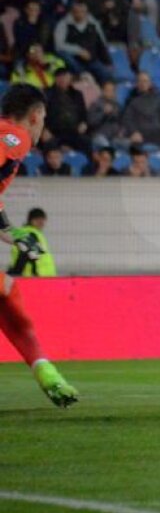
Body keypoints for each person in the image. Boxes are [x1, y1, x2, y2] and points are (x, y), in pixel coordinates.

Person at [0, 85, 77, 407]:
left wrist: (9, 232)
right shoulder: (15, 138)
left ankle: (45, 370)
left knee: (6, 292)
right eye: (43, 117)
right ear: (35, 116)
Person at [9, 207, 55, 278]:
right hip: (34, 278)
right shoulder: (29, 234)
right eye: (37, 219)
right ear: (30, 220)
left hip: (41, 278)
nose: (41, 222)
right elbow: (24, 256)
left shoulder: (35, 233)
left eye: (42, 219)